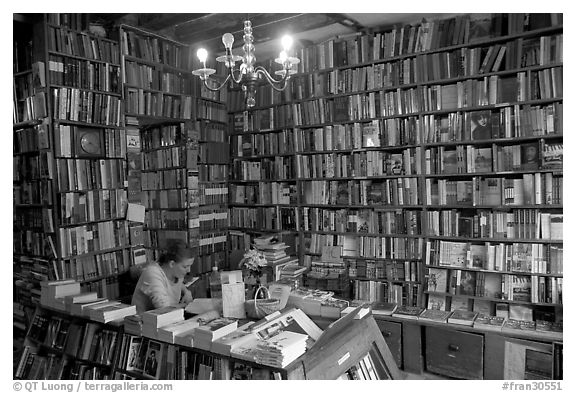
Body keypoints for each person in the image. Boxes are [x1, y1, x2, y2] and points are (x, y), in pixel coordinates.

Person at [131, 240, 195, 313]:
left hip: (169, 319)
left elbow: (174, 284)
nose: (189, 270)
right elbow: (164, 308)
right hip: (144, 321)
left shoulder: (177, 273)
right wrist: (187, 304)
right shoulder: (152, 273)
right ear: (172, 264)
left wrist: (186, 291)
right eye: (185, 266)